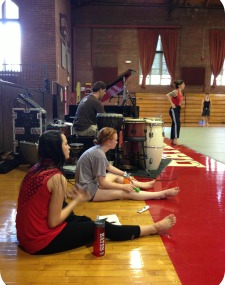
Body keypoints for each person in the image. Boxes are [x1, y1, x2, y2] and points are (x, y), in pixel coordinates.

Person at [16, 130, 176, 255]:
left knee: (83, 219)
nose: (69, 147)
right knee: (100, 226)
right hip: (39, 241)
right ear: (56, 149)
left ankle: (144, 192)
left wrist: (69, 199)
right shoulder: (57, 178)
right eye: (65, 144)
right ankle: (152, 229)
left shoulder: (35, 169)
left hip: (25, 236)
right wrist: (76, 200)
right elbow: (53, 221)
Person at [75, 127, 180, 202]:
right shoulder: (99, 155)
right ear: (108, 142)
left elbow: (108, 166)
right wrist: (122, 187)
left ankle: (141, 185)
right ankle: (160, 194)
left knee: (116, 176)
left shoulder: (98, 150)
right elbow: (103, 183)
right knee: (125, 193)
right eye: (115, 140)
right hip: (87, 191)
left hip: (87, 185)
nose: (117, 142)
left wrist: (125, 174)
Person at [166, 79, 185, 145]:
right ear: (179, 85)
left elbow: (179, 100)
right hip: (174, 109)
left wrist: (179, 104)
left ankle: (172, 139)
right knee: (177, 124)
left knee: (175, 124)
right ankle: (175, 139)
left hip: (177, 109)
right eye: (183, 84)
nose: (184, 85)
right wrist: (172, 104)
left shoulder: (180, 92)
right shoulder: (175, 91)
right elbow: (167, 95)